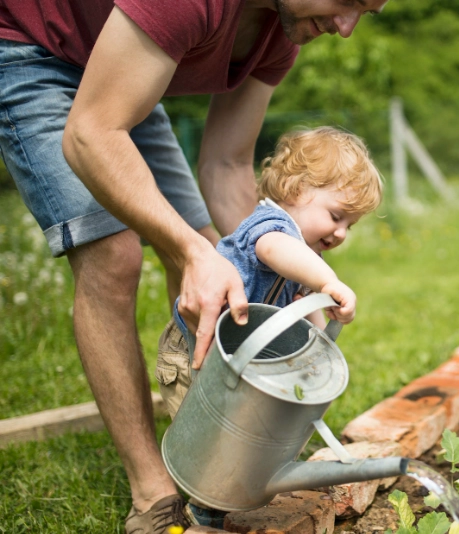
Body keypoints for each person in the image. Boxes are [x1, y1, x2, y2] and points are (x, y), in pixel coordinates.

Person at [0, 0, 387, 532]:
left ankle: (204, 436)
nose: (347, 28)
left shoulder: (287, 27)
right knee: (114, 254)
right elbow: (91, 131)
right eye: (349, 1)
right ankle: (153, 489)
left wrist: (243, 259)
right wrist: (193, 253)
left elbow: (227, 165)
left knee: (213, 251)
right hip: (36, 50)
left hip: (122, 67)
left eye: (368, 12)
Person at [156, 126, 382, 527]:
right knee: (209, 441)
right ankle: (202, 509)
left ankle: (225, 498)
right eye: (336, 216)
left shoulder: (302, 253)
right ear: (296, 190)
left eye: (351, 224)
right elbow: (275, 250)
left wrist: (319, 330)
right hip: (195, 354)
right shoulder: (270, 227)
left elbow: (297, 305)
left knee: (243, 434)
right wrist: (327, 281)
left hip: (238, 364)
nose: (342, 232)